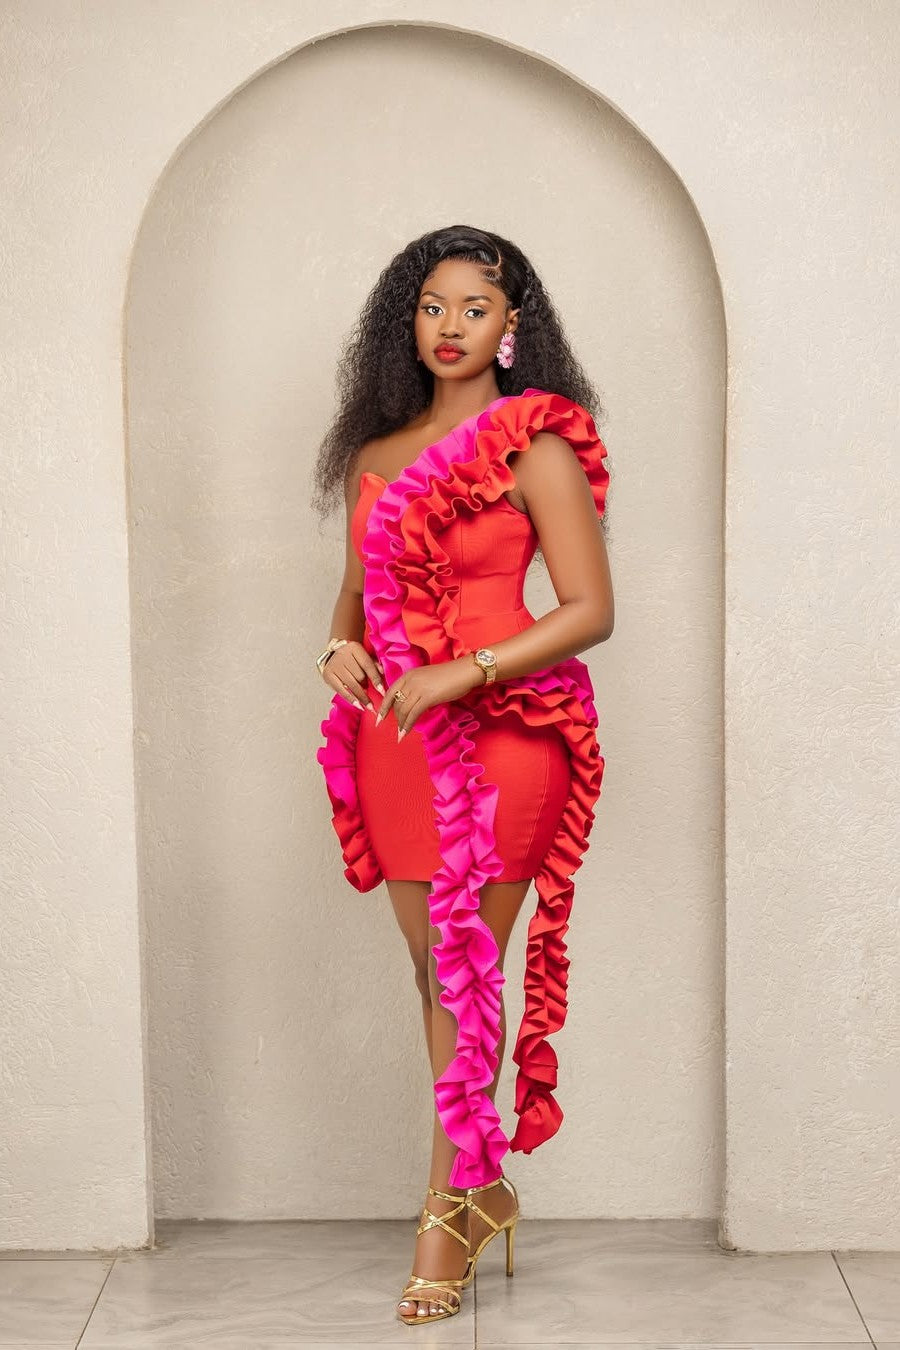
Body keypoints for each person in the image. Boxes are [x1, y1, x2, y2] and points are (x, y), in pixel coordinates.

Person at [313, 224, 614, 1325]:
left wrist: (463, 672)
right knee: (434, 981)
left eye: (473, 308)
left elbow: (591, 611)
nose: (450, 327)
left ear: (513, 325)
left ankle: (444, 1218)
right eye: (432, 306)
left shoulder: (534, 444)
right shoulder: (375, 453)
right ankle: (480, 1187)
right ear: (410, 320)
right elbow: (353, 596)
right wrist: (339, 648)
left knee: (465, 971)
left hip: (504, 734)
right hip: (394, 735)